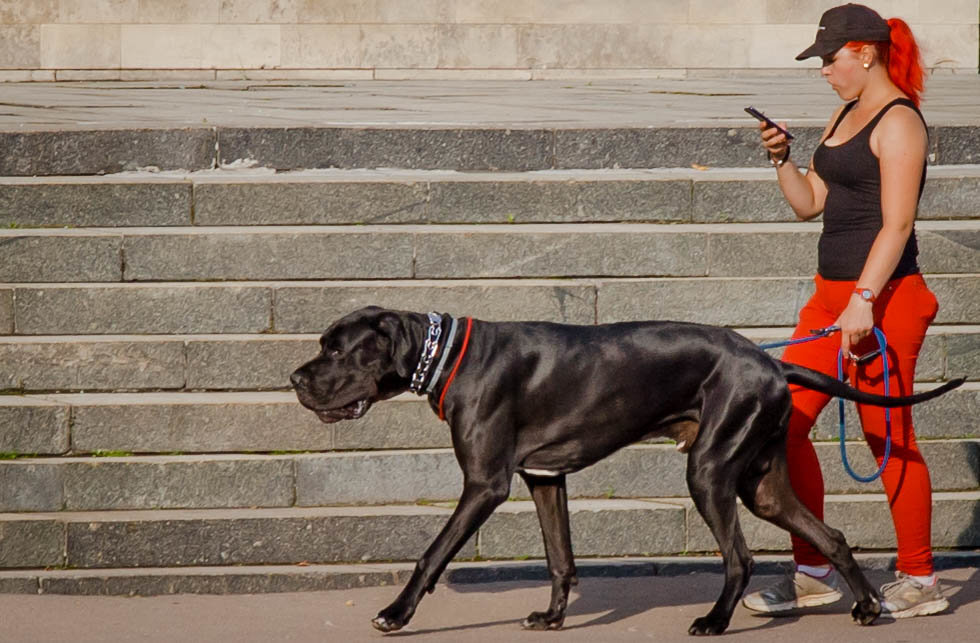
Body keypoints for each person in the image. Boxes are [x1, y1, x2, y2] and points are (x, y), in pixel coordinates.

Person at [740, 4, 948, 619]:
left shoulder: (901, 122)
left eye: (829, 60)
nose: (824, 71)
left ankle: (920, 576)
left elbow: (898, 223)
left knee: (888, 435)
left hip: (885, 301)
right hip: (829, 301)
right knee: (783, 424)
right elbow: (809, 203)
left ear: (865, 52)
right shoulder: (843, 114)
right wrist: (782, 157)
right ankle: (813, 569)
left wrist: (863, 300)